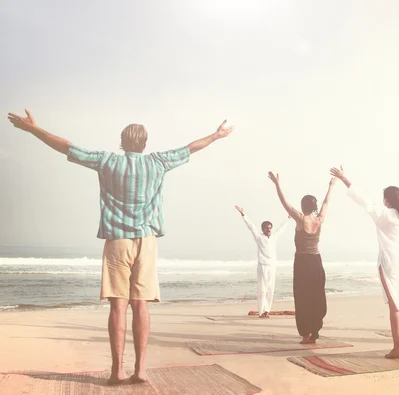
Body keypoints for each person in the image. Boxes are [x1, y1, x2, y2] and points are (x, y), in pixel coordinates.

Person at [7, 109, 234, 385]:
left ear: (121, 142)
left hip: (117, 241)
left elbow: (67, 147)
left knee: (118, 308)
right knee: (141, 306)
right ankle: (139, 370)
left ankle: (117, 371)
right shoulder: (158, 162)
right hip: (146, 241)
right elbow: (190, 148)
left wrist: (34, 129)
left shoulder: (107, 162)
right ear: (145, 144)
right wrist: (217, 135)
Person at [330, 165, 399, 358]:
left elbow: (361, 198)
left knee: (395, 306)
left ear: (386, 199)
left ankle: (397, 348)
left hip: (389, 263)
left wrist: (344, 178)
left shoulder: (382, 214)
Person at [267, 171, 336, 344]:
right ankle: (314, 331)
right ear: (314, 206)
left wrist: (277, 184)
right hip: (316, 262)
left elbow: (284, 203)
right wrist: (331, 187)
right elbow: (327, 202)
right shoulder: (319, 220)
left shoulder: (300, 219)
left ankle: (306, 335)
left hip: (303, 262)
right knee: (316, 296)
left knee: (303, 297)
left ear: (303, 206)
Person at [234, 205, 291, 318]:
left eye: (270, 228)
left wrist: (289, 218)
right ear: (263, 229)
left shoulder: (274, 237)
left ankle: (267, 311)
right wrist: (243, 215)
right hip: (262, 266)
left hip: (272, 267)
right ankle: (261, 312)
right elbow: (251, 227)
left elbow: (281, 228)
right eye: (266, 228)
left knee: (270, 290)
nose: (269, 230)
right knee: (262, 291)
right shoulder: (259, 237)